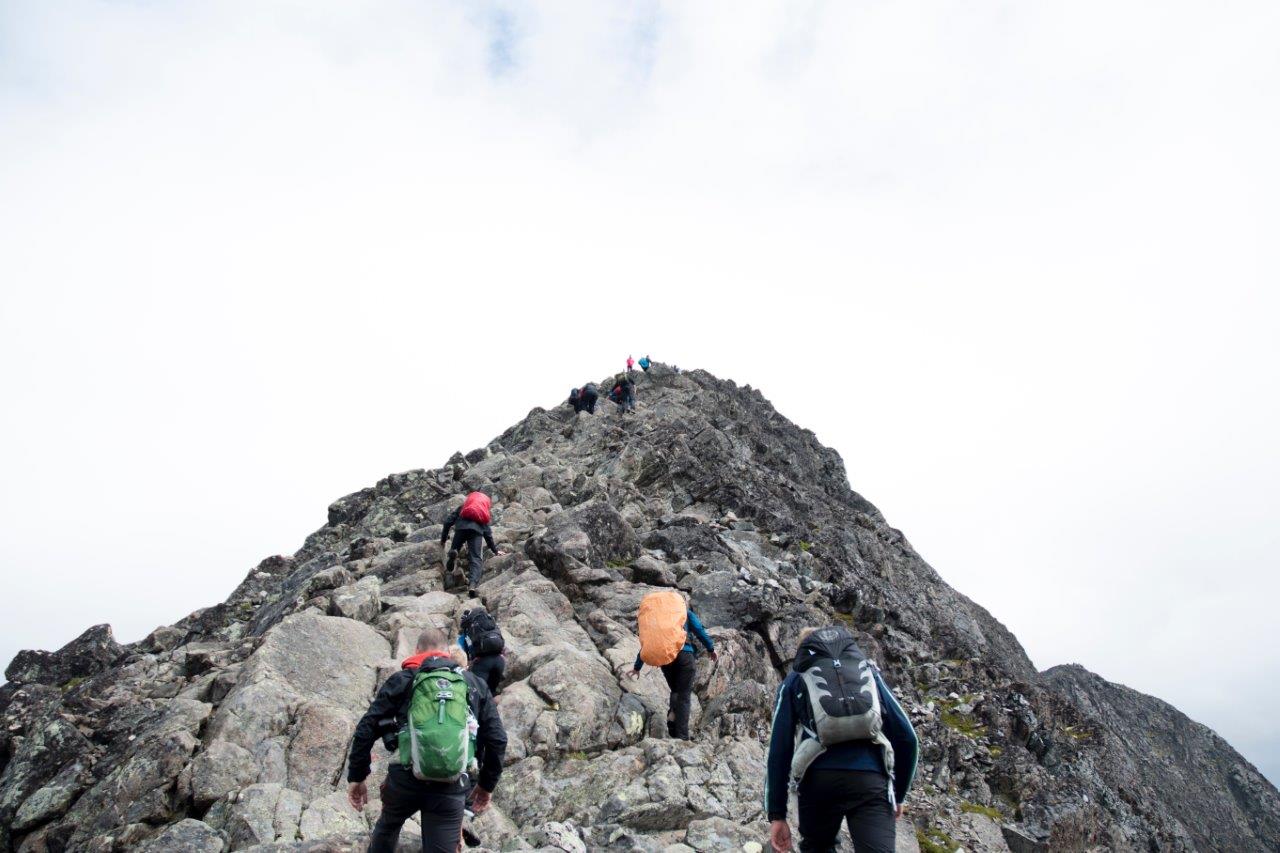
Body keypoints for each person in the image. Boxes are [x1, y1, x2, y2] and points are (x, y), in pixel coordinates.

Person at [347, 627, 508, 853]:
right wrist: (486, 785)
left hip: (404, 780)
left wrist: (357, 777)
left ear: (416, 650)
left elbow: (366, 728)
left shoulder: (403, 679)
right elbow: (497, 739)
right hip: (451, 783)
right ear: (447, 653)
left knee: (388, 825)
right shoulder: (473, 683)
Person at [764, 626, 918, 853]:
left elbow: (779, 750)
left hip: (817, 780)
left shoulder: (795, 680)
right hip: (870, 780)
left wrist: (777, 814)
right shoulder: (867, 672)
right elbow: (907, 737)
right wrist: (898, 792)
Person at [627, 598, 716, 740]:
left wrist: (637, 667)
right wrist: (711, 648)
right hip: (685, 657)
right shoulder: (685, 613)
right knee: (684, 696)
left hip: (665, 659)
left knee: (676, 690)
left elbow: (650, 643)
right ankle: (682, 737)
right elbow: (699, 630)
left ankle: (673, 723)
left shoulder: (659, 620)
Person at [441, 492, 504, 596]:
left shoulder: (463, 508)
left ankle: (453, 553)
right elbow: (488, 534)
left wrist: (443, 540)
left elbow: (448, 522)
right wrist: (495, 551)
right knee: (475, 558)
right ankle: (472, 585)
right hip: (476, 532)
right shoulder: (482, 513)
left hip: (460, 529)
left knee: (454, 549)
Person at [458, 607, 506, 695]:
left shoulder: (467, 633)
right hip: (499, 661)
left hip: (482, 663)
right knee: (492, 692)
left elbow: (460, 653)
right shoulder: (491, 625)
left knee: (479, 694)